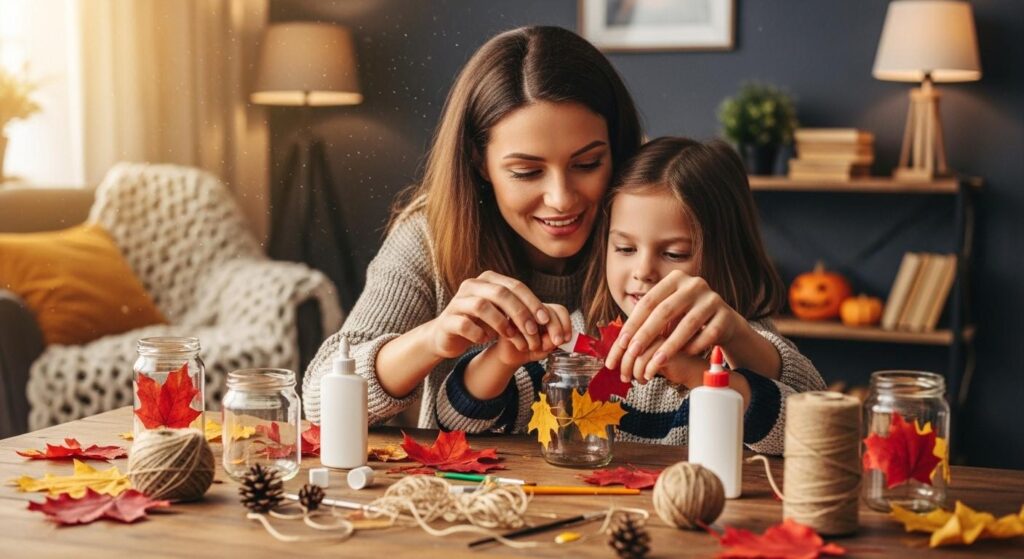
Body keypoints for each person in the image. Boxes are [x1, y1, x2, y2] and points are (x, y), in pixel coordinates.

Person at [302, 26, 643, 427]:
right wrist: (434, 338)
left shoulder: (661, 231)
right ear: (479, 160)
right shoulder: (430, 234)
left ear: (616, 150)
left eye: (587, 164)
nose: (561, 198)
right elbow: (321, 402)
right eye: (527, 171)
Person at [434, 137, 826, 454]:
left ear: (726, 253)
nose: (642, 271)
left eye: (674, 254)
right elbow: (458, 424)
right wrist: (505, 357)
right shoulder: (579, 340)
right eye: (624, 248)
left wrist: (700, 375)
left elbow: (815, 431)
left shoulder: (744, 342)